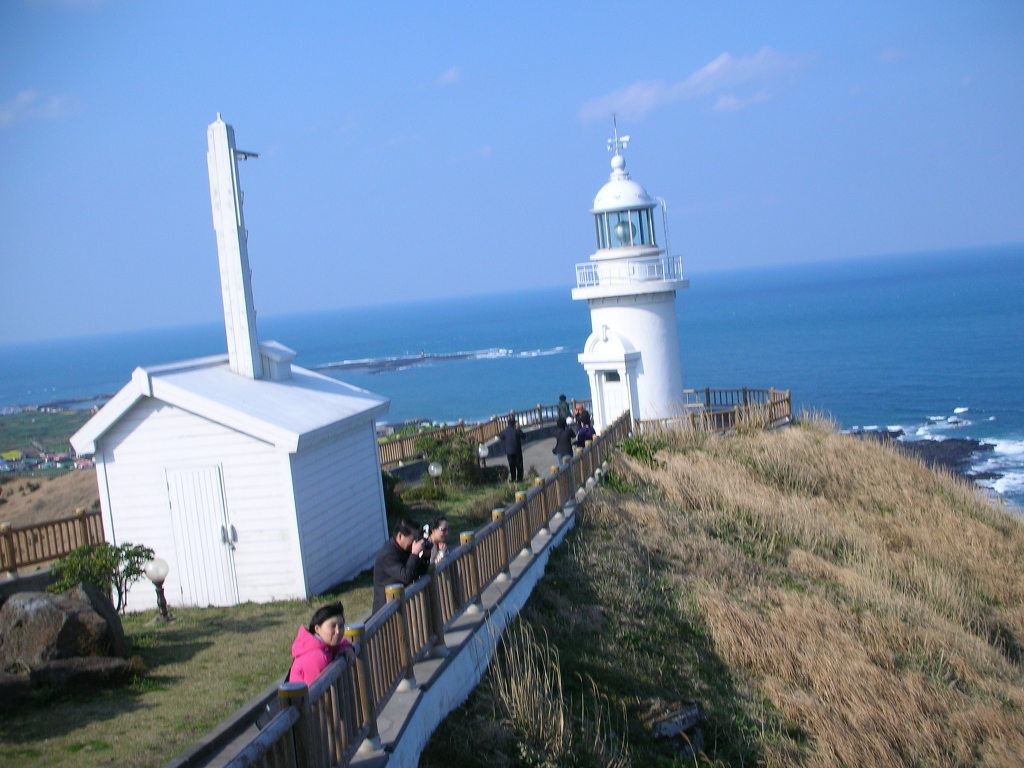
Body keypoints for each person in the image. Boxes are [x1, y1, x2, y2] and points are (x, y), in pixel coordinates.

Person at [288, 603, 357, 685]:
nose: (338, 631)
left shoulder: (322, 645)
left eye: (341, 626)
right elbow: (317, 691)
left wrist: (347, 647)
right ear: (317, 629)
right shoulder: (316, 658)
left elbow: (339, 644)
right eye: (332, 626)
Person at [372, 518, 429, 614]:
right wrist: (414, 554)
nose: (415, 542)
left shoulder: (405, 549)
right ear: (400, 536)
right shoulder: (388, 554)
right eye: (413, 539)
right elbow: (406, 577)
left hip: (400, 606)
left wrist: (426, 555)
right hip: (386, 612)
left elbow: (420, 571)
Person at [501, 416, 525, 482]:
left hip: (509, 451)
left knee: (512, 465)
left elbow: (501, 437)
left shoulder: (505, 431)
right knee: (519, 465)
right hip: (517, 451)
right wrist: (519, 429)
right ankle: (519, 479)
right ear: (514, 423)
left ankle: (513, 479)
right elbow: (524, 436)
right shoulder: (517, 430)